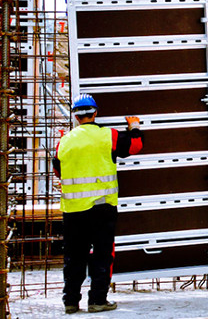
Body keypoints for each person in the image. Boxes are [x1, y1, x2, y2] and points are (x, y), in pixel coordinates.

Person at [53, 94, 143, 314]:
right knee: (102, 254)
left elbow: (58, 170)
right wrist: (134, 126)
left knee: (74, 257)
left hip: (73, 210)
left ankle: (71, 302)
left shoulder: (64, 141)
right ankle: (97, 301)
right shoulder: (107, 136)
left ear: (75, 116)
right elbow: (135, 146)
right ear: (95, 113)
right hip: (102, 208)